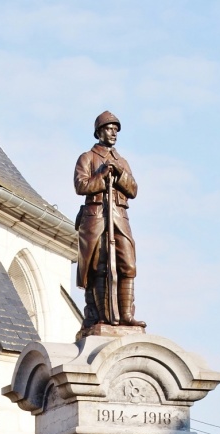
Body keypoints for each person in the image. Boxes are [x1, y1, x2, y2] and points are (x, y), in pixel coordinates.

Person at [74, 111, 145, 329]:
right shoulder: (87, 158)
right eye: (109, 129)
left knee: (127, 264)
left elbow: (133, 190)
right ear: (99, 132)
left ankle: (126, 315)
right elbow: (81, 186)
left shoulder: (121, 161)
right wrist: (102, 175)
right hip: (96, 217)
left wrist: (120, 174)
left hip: (119, 217)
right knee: (98, 267)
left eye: (115, 130)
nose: (113, 133)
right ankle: (100, 315)